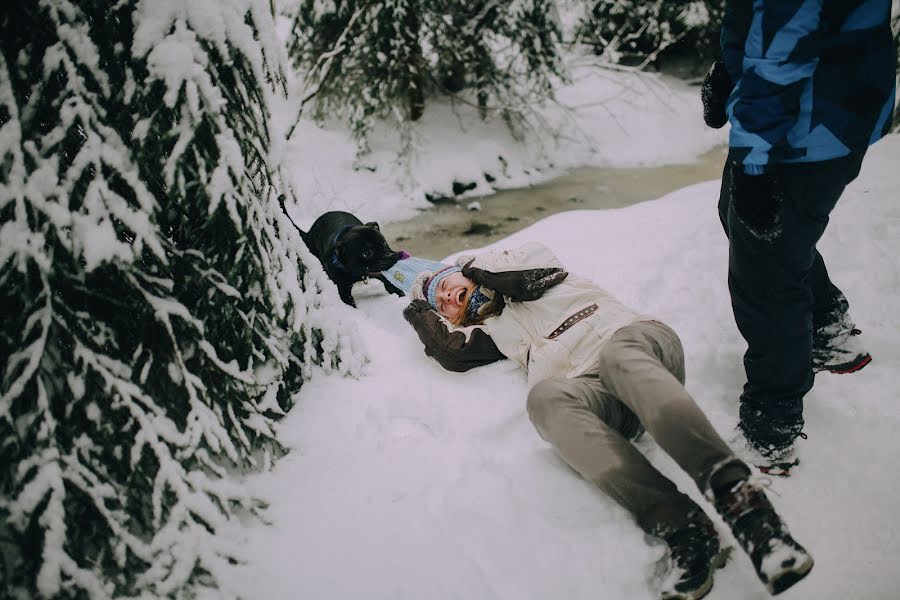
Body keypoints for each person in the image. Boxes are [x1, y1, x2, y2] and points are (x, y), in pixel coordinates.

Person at [387, 244, 814, 600]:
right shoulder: (495, 333)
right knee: (545, 399)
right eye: (440, 303)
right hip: (599, 395)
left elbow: (512, 273)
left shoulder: (533, 271)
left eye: (447, 287)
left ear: (469, 270)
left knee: (617, 357)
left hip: (636, 346)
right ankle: (685, 529)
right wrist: (419, 304)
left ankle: (746, 507)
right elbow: (450, 352)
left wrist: (462, 270)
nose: (446, 299)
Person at [701, 0, 896, 473]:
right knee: (749, 224)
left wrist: (755, 161)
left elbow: (779, 49)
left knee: (764, 271)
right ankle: (827, 328)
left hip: (808, 121)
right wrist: (730, 66)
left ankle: (773, 424)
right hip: (829, 102)